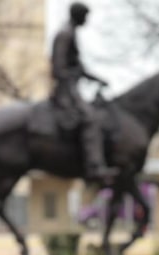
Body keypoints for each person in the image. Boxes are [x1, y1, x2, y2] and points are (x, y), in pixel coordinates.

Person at [50, 2, 116, 182]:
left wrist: (97, 79)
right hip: (66, 91)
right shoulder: (65, 34)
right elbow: (58, 69)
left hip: (72, 87)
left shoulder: (71, 33)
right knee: (91, 118)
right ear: (78, 16)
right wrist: (73, 75)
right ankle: (94, 166)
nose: (87, 20)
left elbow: (79, 67)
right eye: (85, 16)